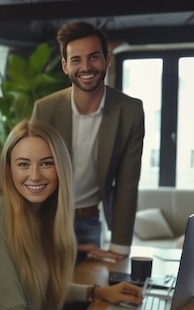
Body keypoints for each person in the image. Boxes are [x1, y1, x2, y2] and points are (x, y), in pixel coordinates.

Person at [0, 119, 152, 310]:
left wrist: (96, 291)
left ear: (60, 167)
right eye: (23, 164)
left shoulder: (43, 214)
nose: (35, 175)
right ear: (8, 169)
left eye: (46, 163)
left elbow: (37, 285)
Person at [31, 21, 145, 262]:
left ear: (107, 58)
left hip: (89, 221)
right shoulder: (44, 109)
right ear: (65, 66)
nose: (86, 67)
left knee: (87, 295)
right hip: (46, 218)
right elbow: (32, 172)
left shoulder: (130, 111)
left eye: (94, 57)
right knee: (41, 296)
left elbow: (127, 182)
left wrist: (120, 247)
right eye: (76, 60)